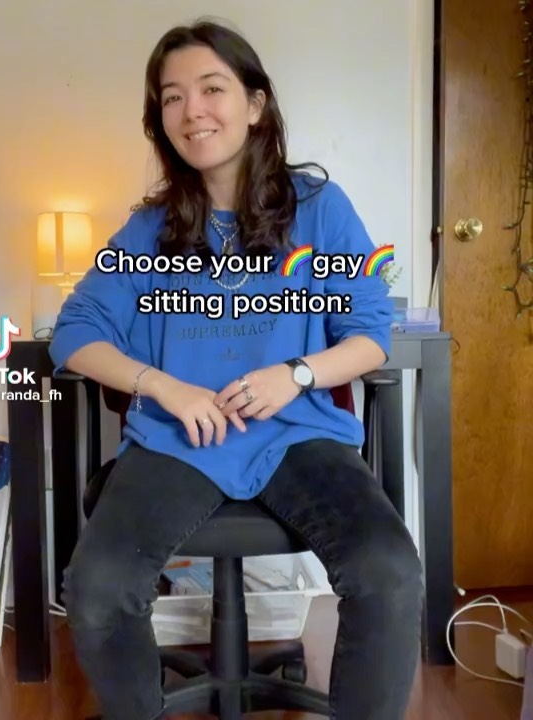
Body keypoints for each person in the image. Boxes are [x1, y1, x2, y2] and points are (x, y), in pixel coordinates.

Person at [49, 18, 424, 720]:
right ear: (160, 119)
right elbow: (75, 332)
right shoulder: (149, 229)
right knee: (97, 587)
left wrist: (296, 374)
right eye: (172, 97)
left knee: (390, 573)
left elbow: (371, 334)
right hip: (177, 441)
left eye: (211, 88)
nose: (191, 109)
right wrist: (162, 385)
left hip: (298, 435)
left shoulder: (319, 210)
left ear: (255, 103)